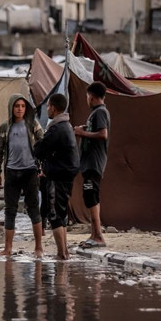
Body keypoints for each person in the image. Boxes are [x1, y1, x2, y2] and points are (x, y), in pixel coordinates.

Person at [0, 94, 45, 257]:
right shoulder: (4, 128)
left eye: (23, 106)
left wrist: (42, 165)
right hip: (11, 172)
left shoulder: (32, 125)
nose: (20, 109)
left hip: (30, 171)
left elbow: (43, 143)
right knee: (10, 210)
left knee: (33, 210)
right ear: (11, 108)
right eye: (17, 106)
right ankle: (7, 248)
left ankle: (39, 248)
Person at [34, 93, 80, 260]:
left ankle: (61, 253)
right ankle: (64, 252)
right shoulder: (66, 125)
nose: (47, 110)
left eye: (48, 107)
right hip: (66, 173)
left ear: (52, 107)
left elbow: (40, 149)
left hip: (58, 175)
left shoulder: (56, 128)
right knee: (61, 213)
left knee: (55, 215)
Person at [74, 81, 111, 248]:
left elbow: (103, 134)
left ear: (92, 96)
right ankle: (94, 234)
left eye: (88, 96)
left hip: (94, 162)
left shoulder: (100, 112)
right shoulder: (95, 113)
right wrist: (84, 129)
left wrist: (82, 133)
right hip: (89, 162)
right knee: (89, 197)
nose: (87, 99)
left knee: (92, 196)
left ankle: (98, 236)